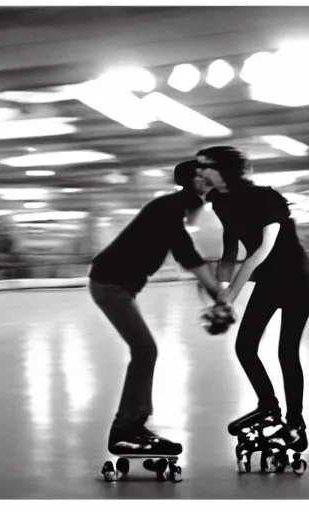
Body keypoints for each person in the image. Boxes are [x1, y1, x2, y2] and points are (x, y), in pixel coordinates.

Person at [88, 159, 231, 456]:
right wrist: (216, 292)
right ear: (192, 183)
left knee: (144, 350)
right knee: (145, 350)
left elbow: (186, 253)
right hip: (109, 285)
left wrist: (212, 291)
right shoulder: (167, 208)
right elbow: (186, 253)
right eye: (202, 180)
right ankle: (126, 429)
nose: (207, 187)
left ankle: (134, 424)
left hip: (117, 286)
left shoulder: (172, 209)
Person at [195, 145, 309, 452]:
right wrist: (221, 286)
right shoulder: (220, 201)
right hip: (270, 281)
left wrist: (230, 297)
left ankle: (295, 426)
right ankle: (269, 407)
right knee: (245, 347)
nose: (199, 172)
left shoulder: (267, 199)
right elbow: (230, 250)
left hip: (298, 280)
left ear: (224, 170)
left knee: (286, 352)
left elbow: (260, 253)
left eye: (205, 166)